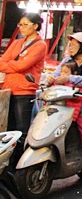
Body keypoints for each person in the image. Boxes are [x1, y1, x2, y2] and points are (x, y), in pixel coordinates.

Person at [49, 32, 82, 193]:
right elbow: (56, 74)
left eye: (73, 44)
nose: (70, 47)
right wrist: (50, 79)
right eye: (70, 44)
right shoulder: (66, 61)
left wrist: (69, 79)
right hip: (65, 105)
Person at [0, 13, 47, 161]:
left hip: (24, 91)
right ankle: (6, 163)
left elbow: (23, 66)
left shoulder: (40, 45)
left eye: (25, 24)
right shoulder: (16, 43)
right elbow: (2, 62)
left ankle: (19, 163)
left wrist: (11, 65)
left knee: (21, 130)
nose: (22, 28)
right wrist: (14, 66)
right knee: (7, 129)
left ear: (35, 26)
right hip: (7, 89)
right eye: (20, 24)